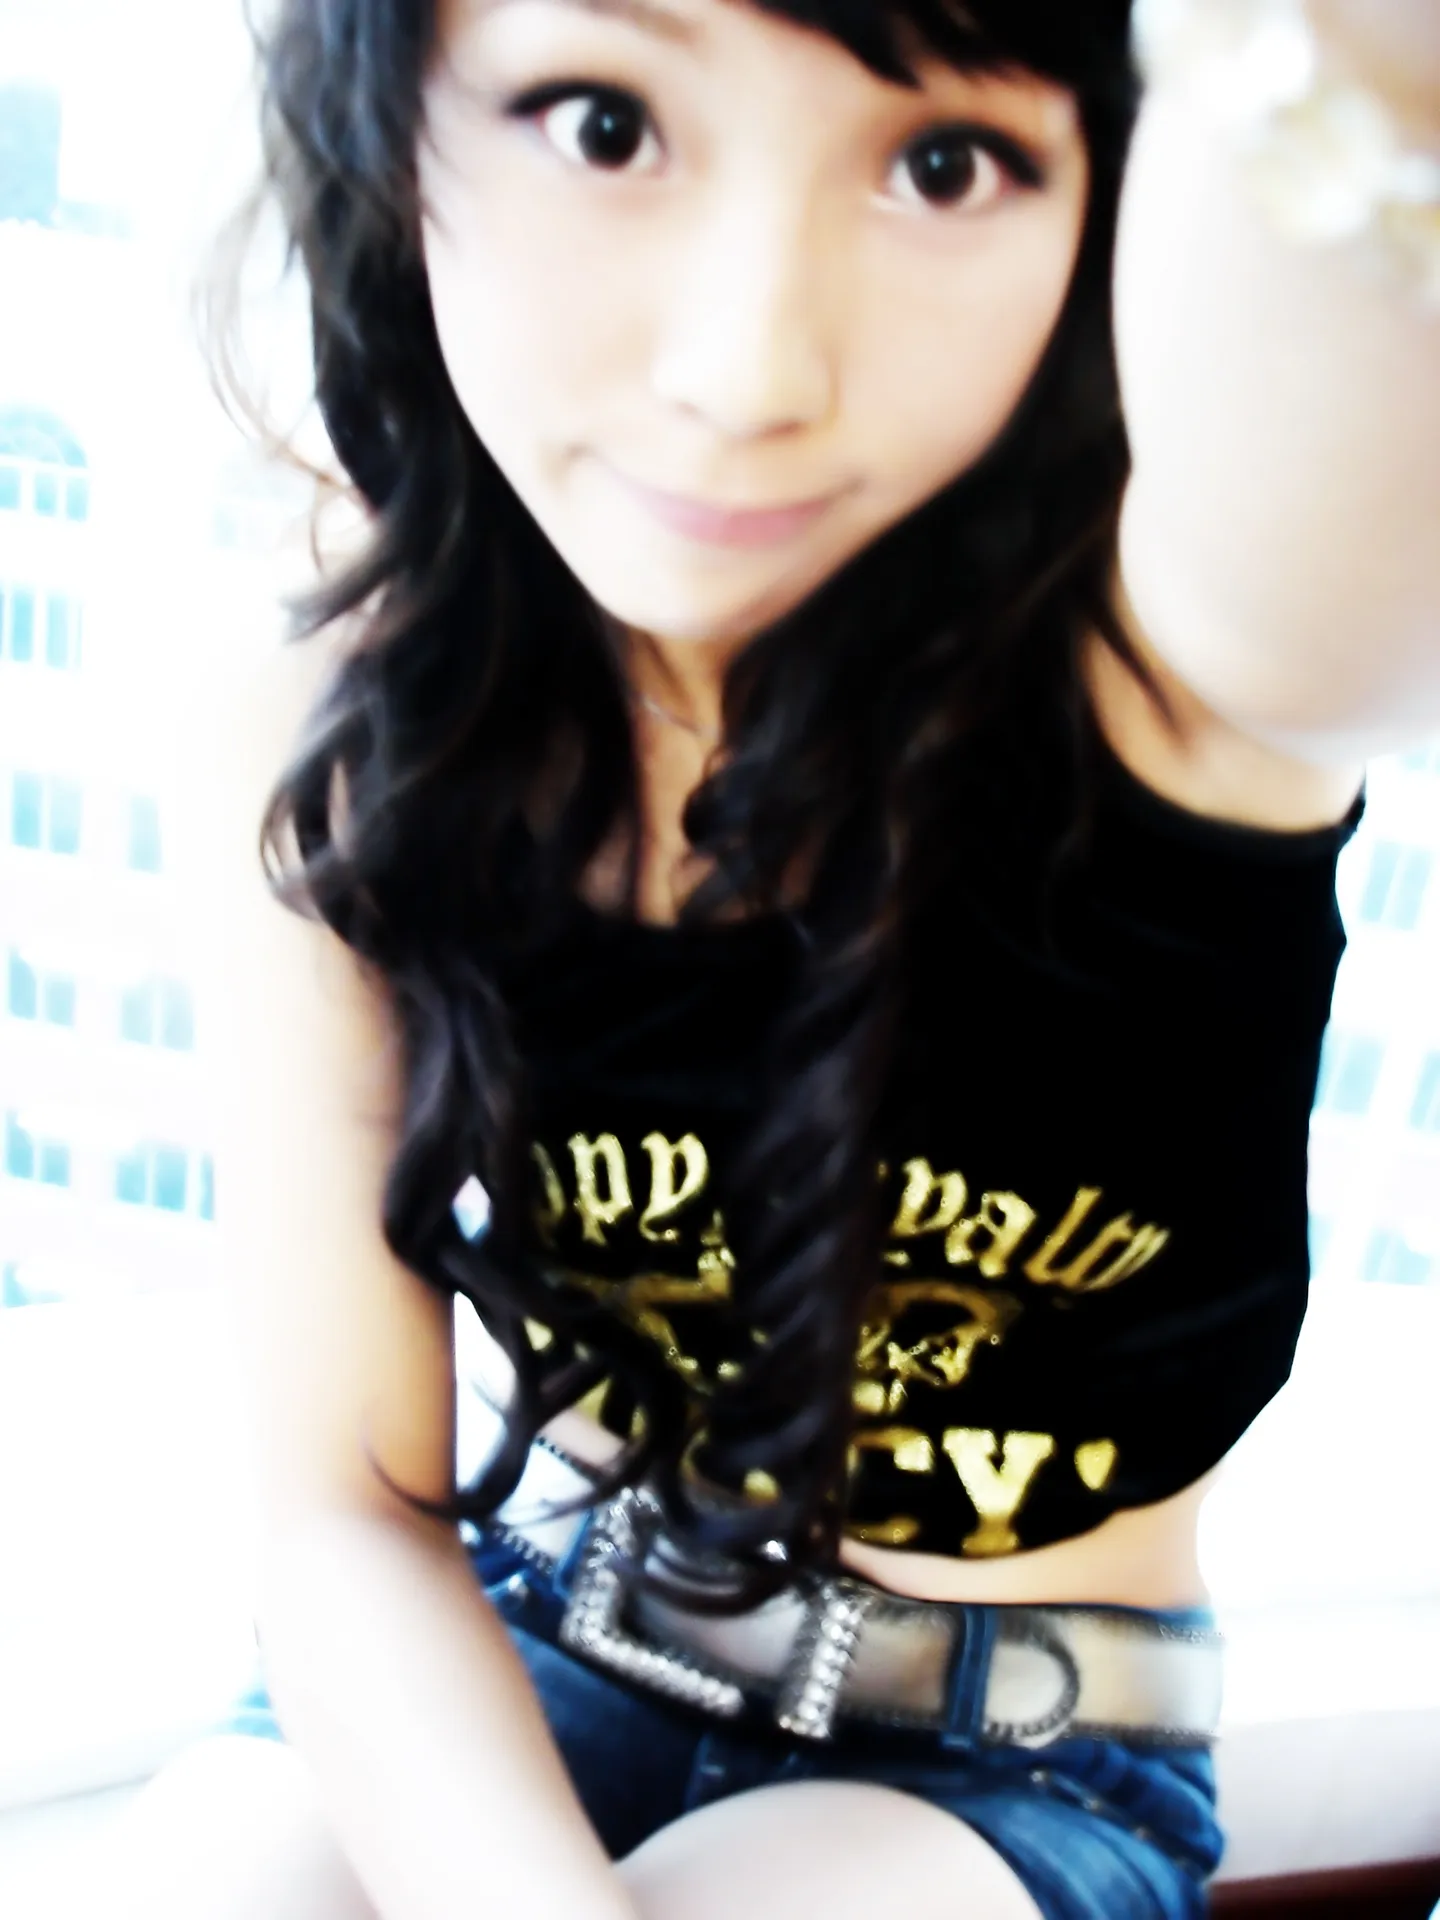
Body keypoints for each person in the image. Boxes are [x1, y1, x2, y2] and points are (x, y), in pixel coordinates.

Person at [99, 1, 1439, 1917]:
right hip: (540, 1636)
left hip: (1012, 1761)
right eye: (603, 123)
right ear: (387, 124)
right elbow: (343, 1513)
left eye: (944, 164)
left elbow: (1357, 509)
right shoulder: (343, 736)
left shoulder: (1176, 685)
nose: (746, 370)